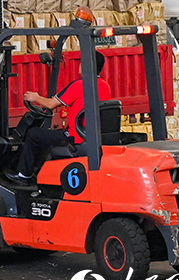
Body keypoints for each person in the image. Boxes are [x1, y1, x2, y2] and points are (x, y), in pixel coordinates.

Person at [7, 50, 112, 182]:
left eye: (81, 62)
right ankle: (39, 171)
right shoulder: (104, 86)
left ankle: (23, 175)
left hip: (76, 137)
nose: (79, 64)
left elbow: (50, 104)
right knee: (46, 135)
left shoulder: (79, 85)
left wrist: (35, 97)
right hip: (91, 135)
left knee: (34, 134)